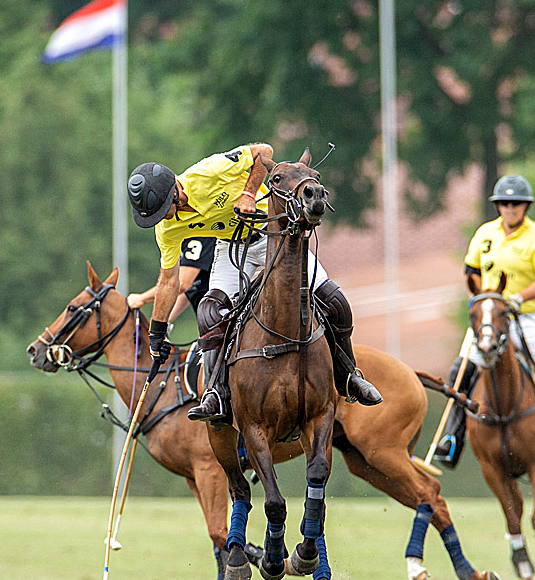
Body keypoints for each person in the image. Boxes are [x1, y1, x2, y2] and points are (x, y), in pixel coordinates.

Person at [127, 143, 381, 428]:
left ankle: (349, 376)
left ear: (175, 190)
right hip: (232, 247)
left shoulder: (210, 171)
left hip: (273, 233)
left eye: (165, 209)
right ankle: (216, 393)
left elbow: (265, 152)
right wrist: (157, 332)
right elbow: (169, 280)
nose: (165, 218)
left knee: (335, 301)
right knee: (209, 311)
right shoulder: (167, 228)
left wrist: (248, 193)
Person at [433, 175, 535, 471]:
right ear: (498, 205)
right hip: (491, 317)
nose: (510, 207)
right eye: (504, 202)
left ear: (525, 206)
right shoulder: (484, 233)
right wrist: (481, 300)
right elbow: (471, 271)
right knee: (459, 372)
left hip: (530, 316)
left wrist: (516, 299)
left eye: (516, 203)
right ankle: (452, 437)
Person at [127, 236, 216, 322]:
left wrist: (142, 298)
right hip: (211, 319)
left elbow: (181, 284)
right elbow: (187, 291)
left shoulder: (198, 235)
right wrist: (162, 322)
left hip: (221, 314)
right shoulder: (182, 238)